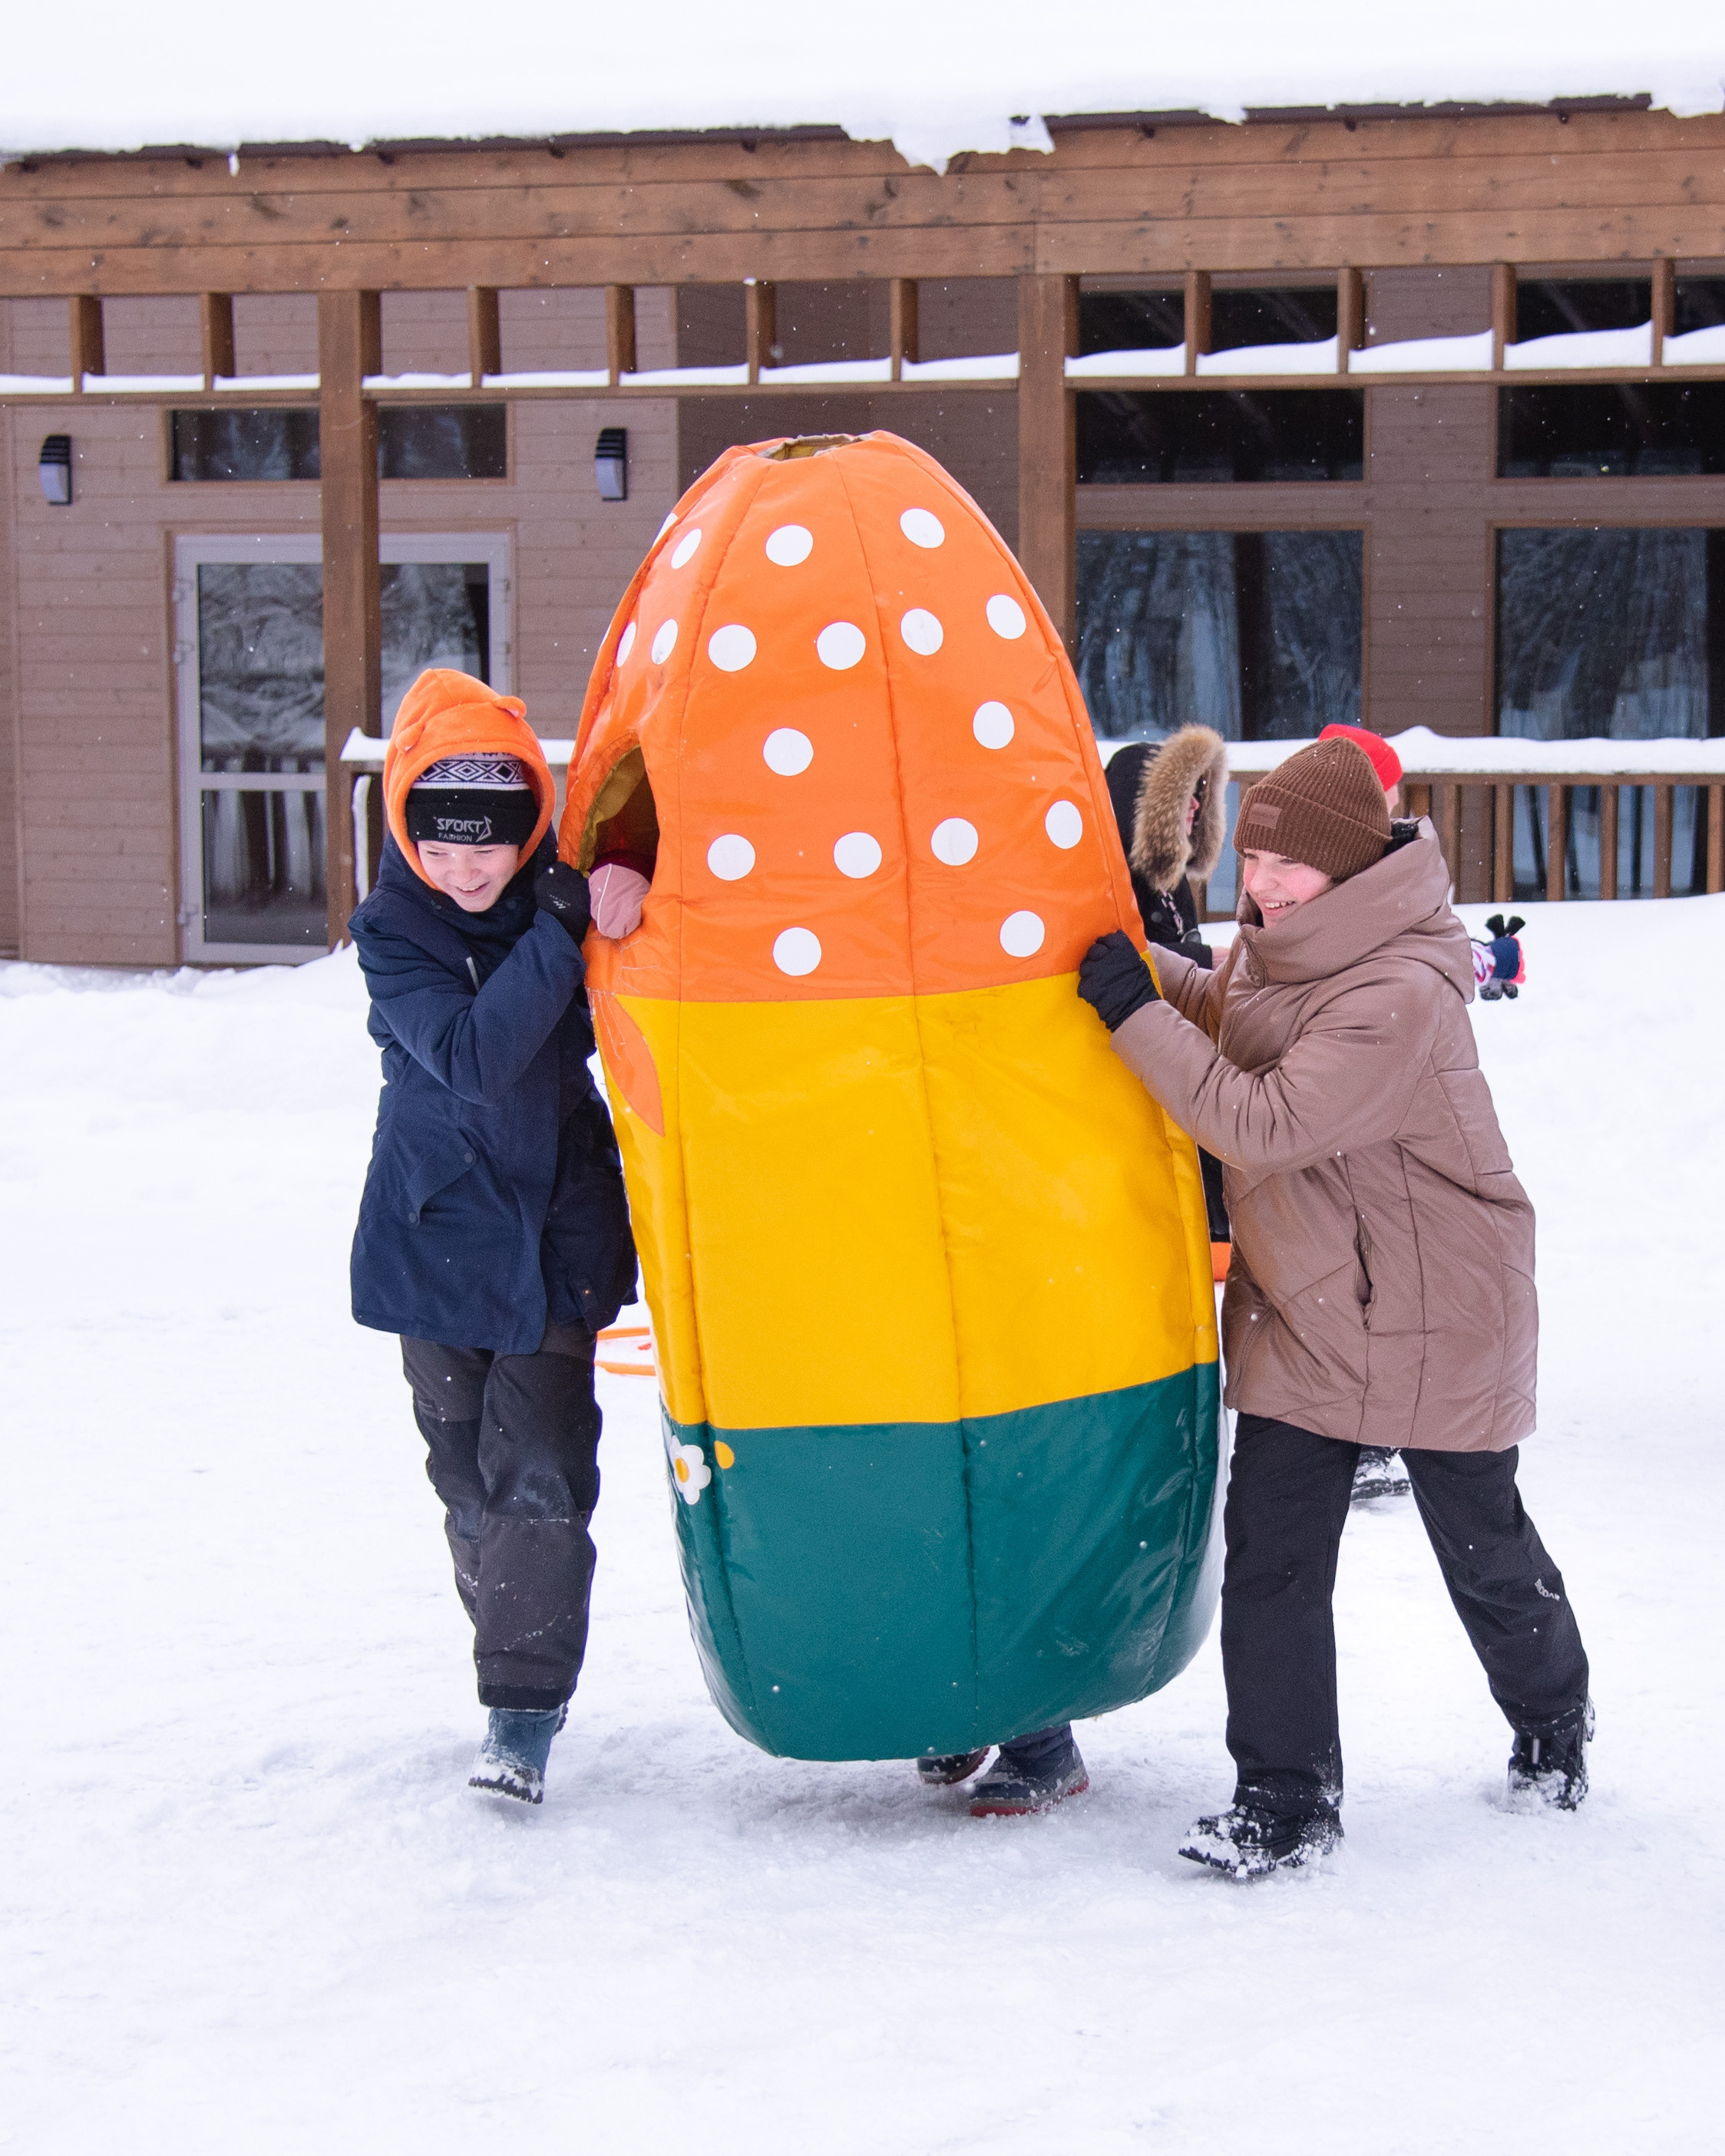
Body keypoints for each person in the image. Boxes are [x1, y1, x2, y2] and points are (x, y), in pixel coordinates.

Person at [1076, 736, 1591, 1877]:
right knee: (1271, 1554)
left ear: (1348, 867)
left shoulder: (1399, 990)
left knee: (1480, 1545)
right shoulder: (1295, 946)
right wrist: (1147, 972)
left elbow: (1259, 1117)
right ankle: (1284, 1796)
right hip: (1314, 1300)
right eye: (1250, 857)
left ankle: (1554, 1717)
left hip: (1432, 1306)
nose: (1258, 885)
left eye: (1284, 866)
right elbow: (1235, 1015)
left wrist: (1129, 1013)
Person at [349, 669, 636, 1805]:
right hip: (434, 1238)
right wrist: (560, 928)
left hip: (554, 1238)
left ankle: (519, 1707)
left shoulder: (559, 901)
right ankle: (512, 1641)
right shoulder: (391, 934)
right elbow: (471, 1058)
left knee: (541, 1479)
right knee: (466, 1481)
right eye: (443, 847)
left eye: (492, 845)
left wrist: (607, 887)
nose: (468, 869)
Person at [1319, 724, 1413, 1502]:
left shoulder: (1383, 868)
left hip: (1371, 1099)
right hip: (1341, 1095)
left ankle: (1373, 1435)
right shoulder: (1328, 865)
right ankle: (1362, 1433)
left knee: (1370, 1265)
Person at [1105, 728, 1232, 1260]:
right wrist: (1219, 962)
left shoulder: (1169, 877)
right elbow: (1131, 958)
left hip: (1183, 1042)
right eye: (1182, 792)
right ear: (1146, 805)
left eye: (1200, 790)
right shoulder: (1110, 880)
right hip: (1134, 1059)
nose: (1197, 802)